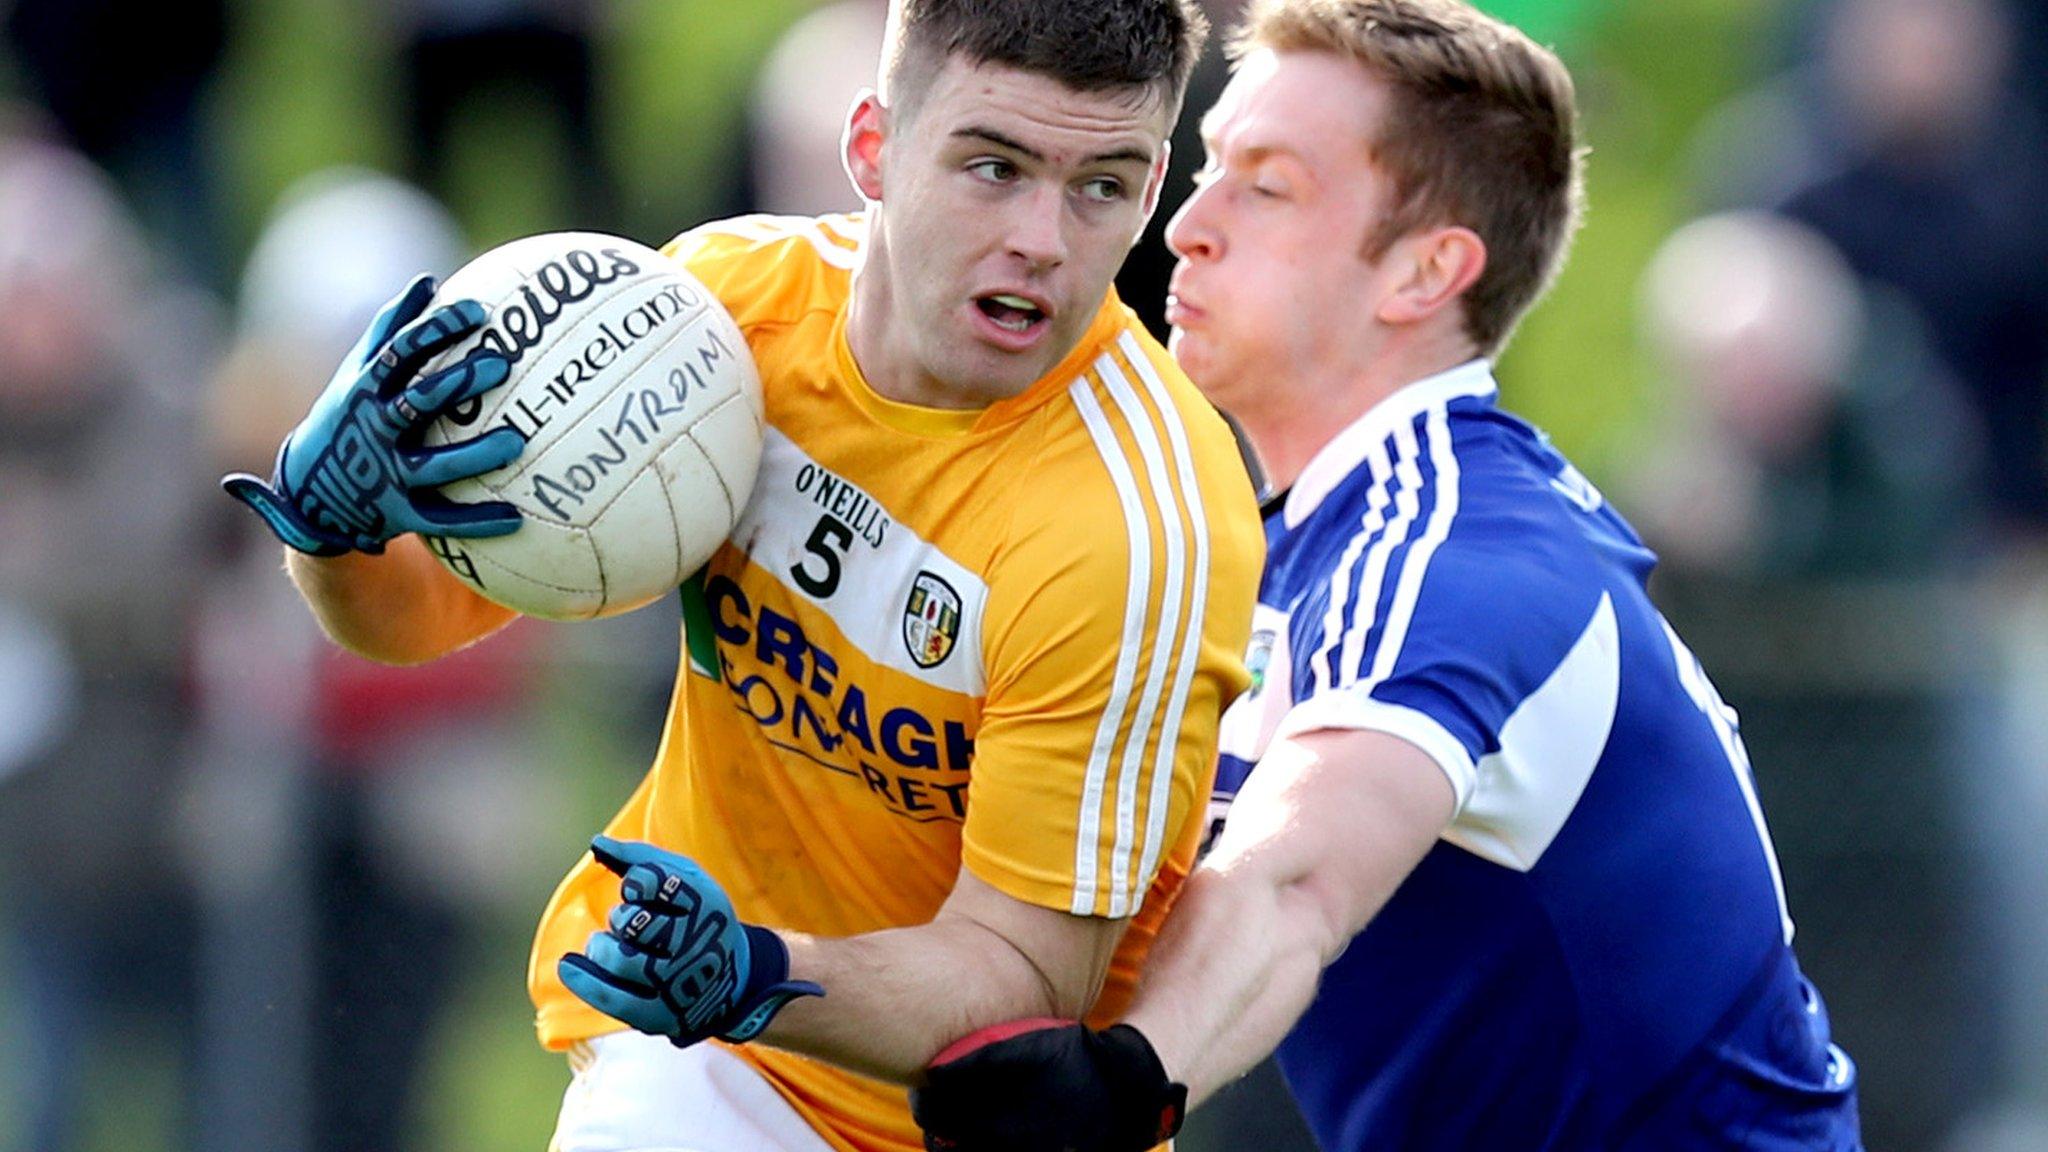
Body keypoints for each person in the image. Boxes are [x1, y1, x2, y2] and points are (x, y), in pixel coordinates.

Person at [219, 2, 1264, 1151]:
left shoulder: (1136, 527)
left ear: (1155, 181)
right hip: (706, 1074)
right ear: (870, 147)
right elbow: (418, 618)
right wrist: (335, 537)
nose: (1043, 240)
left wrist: (756, 971)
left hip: (951, 1123)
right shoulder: (713, 322)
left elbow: (1024, 983)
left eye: (1100, 187)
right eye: (991, 166)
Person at [909, 2, 1865, 1150]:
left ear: (1421, 271)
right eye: (1208, 170)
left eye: (1265, 188)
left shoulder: (1452, 553)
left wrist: (1124, 1077)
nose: (1187, 225)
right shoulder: (1268, 537)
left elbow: (1290, 884)